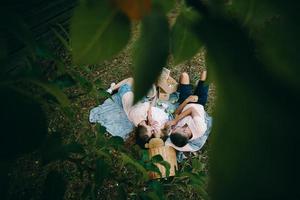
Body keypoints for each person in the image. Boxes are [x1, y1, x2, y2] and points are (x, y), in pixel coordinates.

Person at [107, 78, 169, 147]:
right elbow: (149, 105)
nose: (152, 129)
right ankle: (117, 88)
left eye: (151, 131)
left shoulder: (139, 114)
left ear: (144, 128)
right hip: (129, 100)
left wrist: (149, 116)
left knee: (131, 79)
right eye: (152, 132)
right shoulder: (139, 123)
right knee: (151, 94)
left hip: (126, 92)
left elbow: (148, 104)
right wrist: (150, 117)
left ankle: (111, 89)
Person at [165, 70, 209, 151]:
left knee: (184, 75)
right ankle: (199, 84)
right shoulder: (200, 128)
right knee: (204, 73)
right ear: (185, 131)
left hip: (185, 102)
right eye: (176, 128)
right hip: (199, 102)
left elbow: (176, 112)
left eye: (173, 129)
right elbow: (192, 110)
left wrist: (186, 101)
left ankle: (189, 88)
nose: (174, 128)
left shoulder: (178, 133)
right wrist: (175, 121)